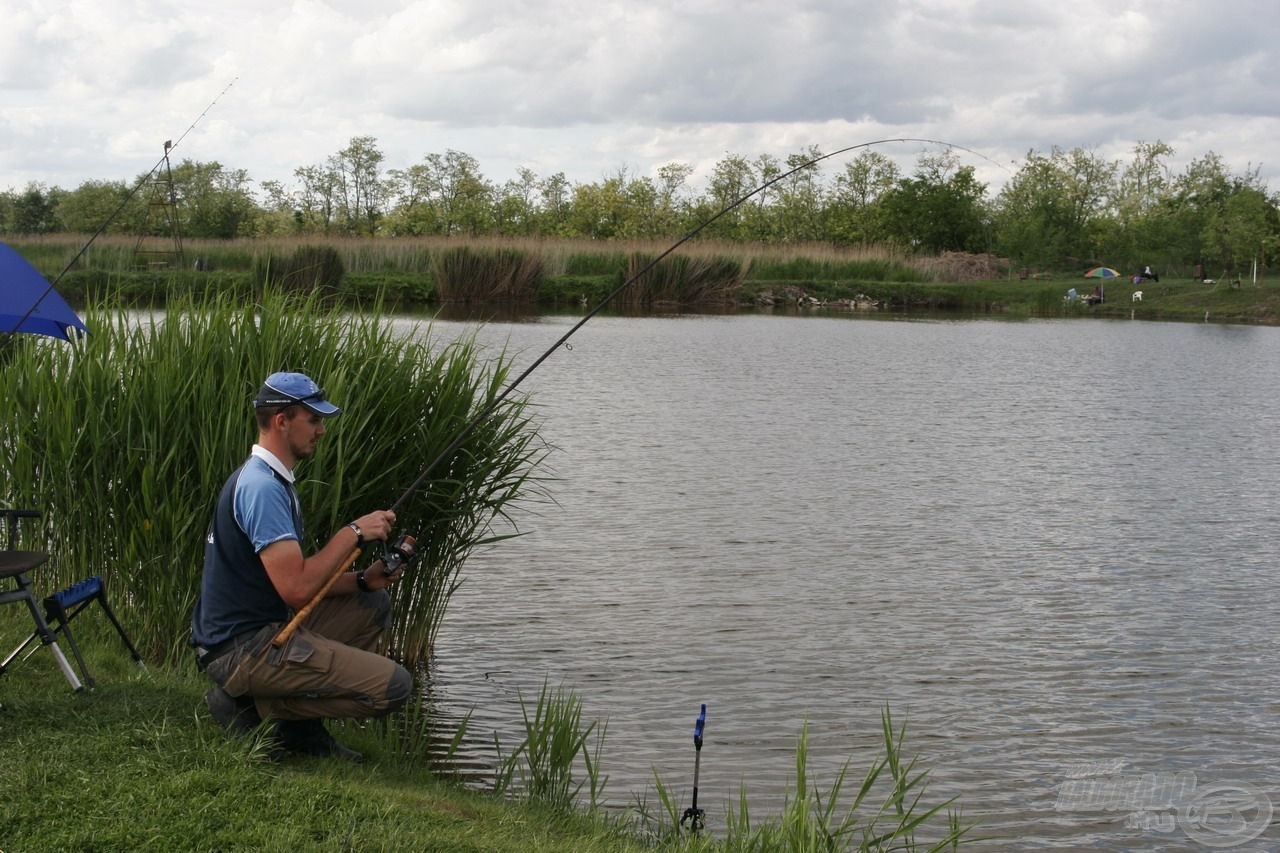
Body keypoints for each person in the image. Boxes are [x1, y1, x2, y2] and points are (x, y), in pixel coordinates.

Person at [191, 371, 413, 761]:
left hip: (261, 631)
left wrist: (363, 580)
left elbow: (293, 580)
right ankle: (248, 707)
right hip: (241, 648)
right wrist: (354, 533)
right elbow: (296, 590)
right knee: (393, 688)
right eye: (313, 419)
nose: (321, 430)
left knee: (371, 606)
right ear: (282, 420)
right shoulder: (262, 489)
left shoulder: (272, 481)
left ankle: (300, 732)